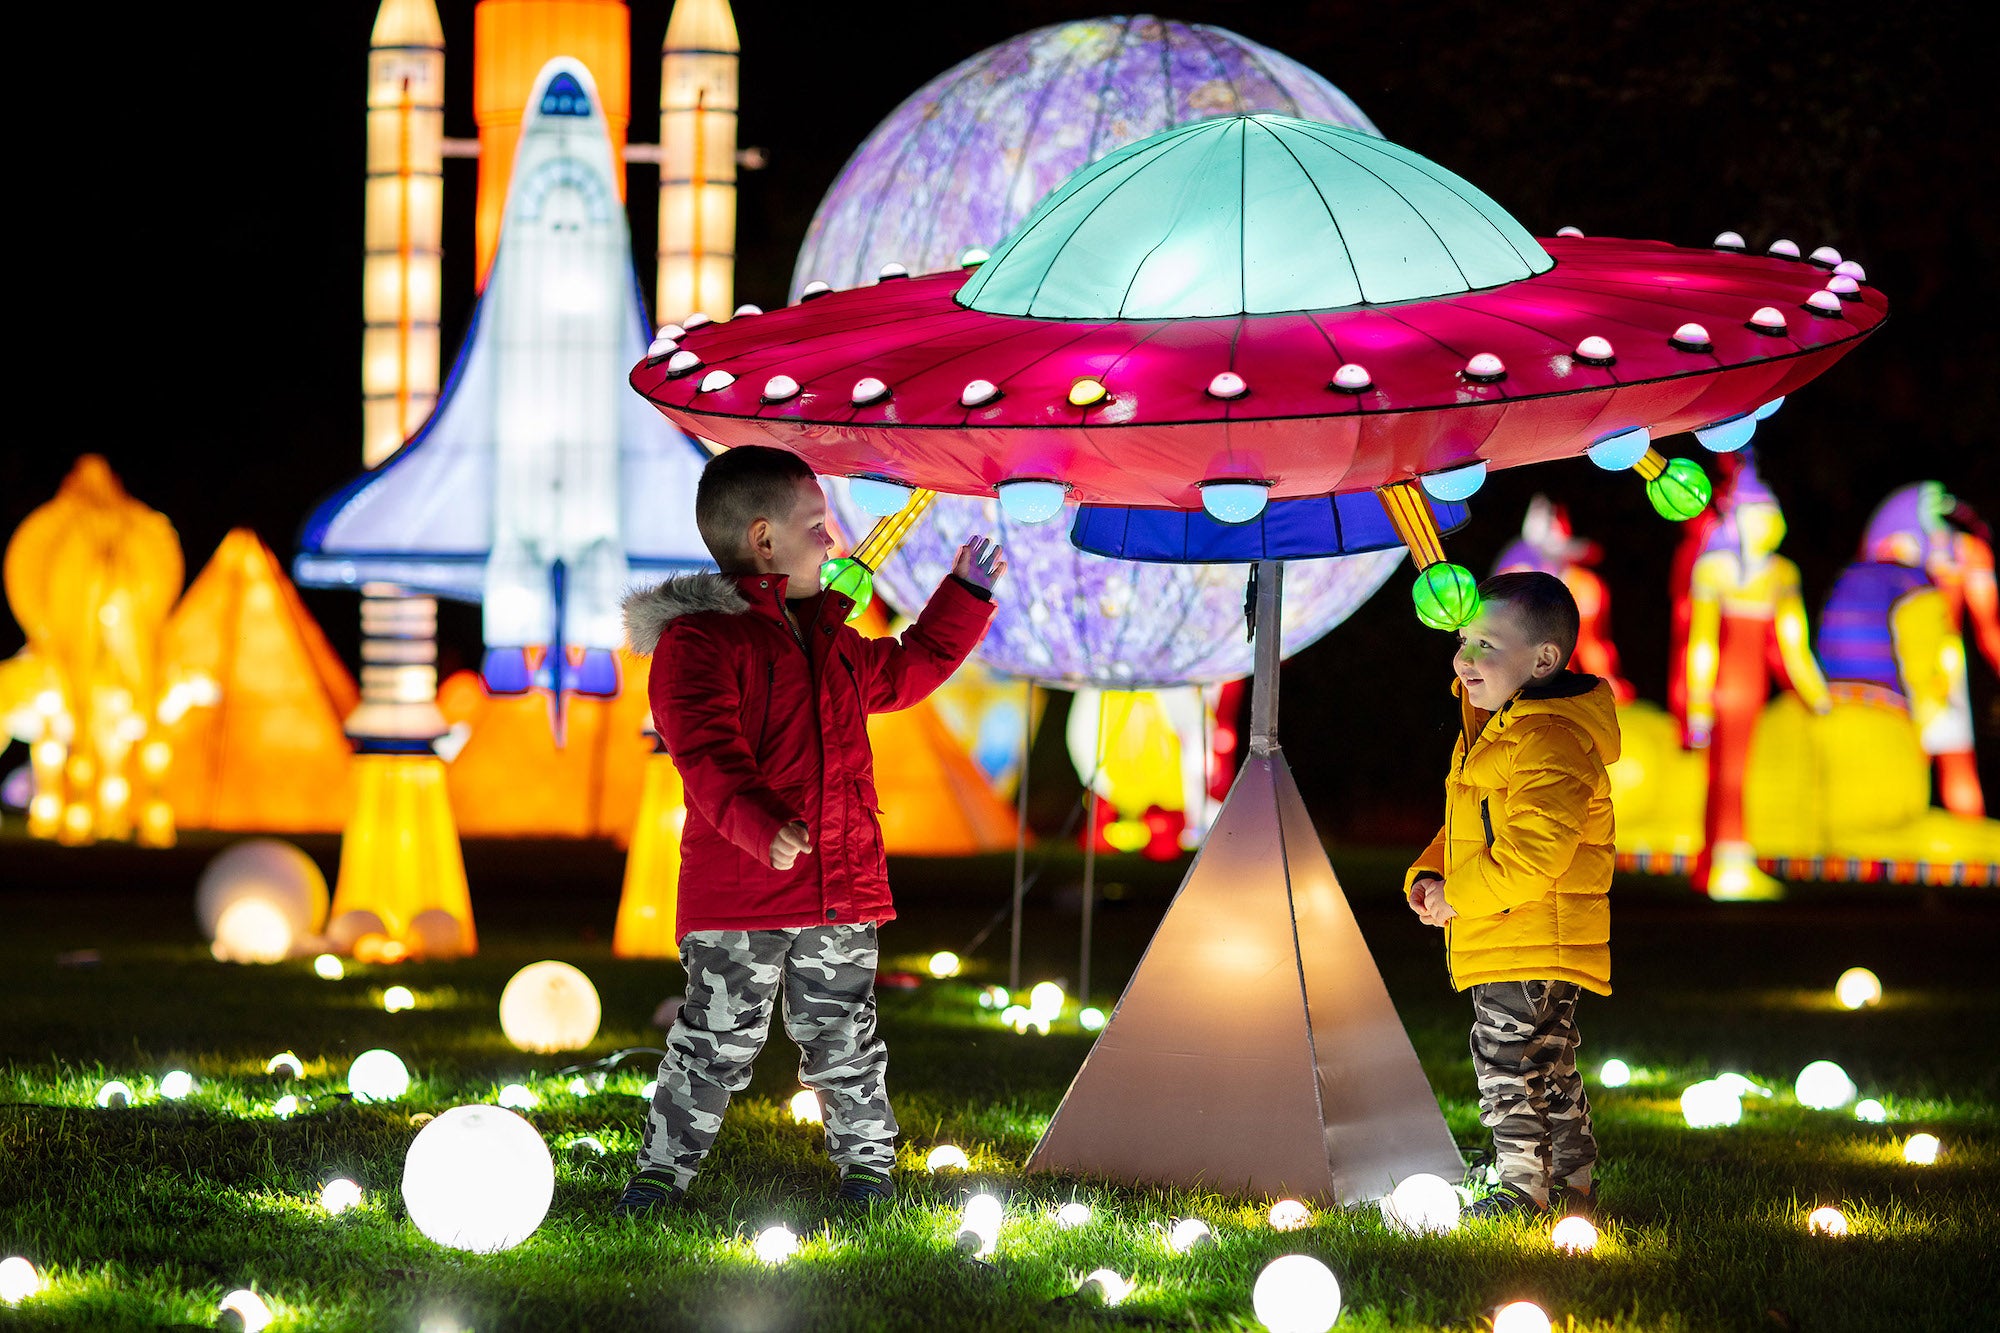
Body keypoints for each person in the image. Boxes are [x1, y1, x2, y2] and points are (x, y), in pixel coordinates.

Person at [612, 446, 1003, 1216]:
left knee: (846, 1040)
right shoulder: (701, 643)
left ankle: (867, 1171)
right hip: (742, 899)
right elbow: (706, 753)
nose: (832, 541)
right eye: (817, 526)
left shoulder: (831, 641)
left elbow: (909, 668)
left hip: (839, 890)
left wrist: (963, 594)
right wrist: (764, 828)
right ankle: (662, 1172)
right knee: (715, 1042)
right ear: (764, 540)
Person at [1404, 571, 1619, 1220]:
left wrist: (1457, 898)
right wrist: (1429, 873)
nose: (1464, 658)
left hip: (1525, 934)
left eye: (1486, 644)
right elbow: (1472, 825)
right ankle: (1568, 1182)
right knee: (1544, 1065)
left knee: (1508, 1066)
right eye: (1463, 639)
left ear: (1544, 659)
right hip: (1517, 931)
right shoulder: (1500, 730)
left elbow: (1531, 855)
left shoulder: (1547, 739)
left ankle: (1521, 1189)